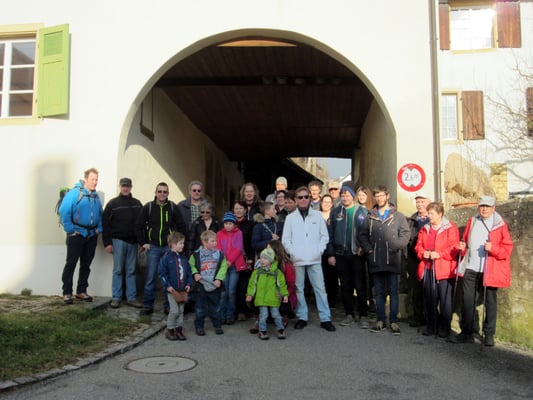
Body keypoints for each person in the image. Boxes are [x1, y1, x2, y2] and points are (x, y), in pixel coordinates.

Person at [449, 196, 513, 347]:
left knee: (490, 302)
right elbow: (466, 240)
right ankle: (466, 332)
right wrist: (462, 246)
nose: (484, 209)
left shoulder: (499, 224)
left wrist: (493, 248)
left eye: (487, 206)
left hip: (489, 269)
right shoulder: (472, 221)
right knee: (467, 301)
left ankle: (489, 334)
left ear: (493, 208)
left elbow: (507, 249)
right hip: (471, 267)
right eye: (482, 206)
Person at [281, 186, 336, 332]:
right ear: (296, 200)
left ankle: (325, 318)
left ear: (310, 198)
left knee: (320, 289)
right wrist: (292, 252)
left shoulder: (317, 216)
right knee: (299, 289)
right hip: (297, 259)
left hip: (315, 259)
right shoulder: (290, 218)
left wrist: (319, 251)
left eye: (306, 197)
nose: (303, 199)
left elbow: (324, 236)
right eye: (300, 197)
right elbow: (286, 239)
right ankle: (302, 317)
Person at [359, 185, 410, 335]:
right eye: (377, 196)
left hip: (393, 259)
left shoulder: (398, 216)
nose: (379, 198)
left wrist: (397, 245)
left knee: (393, 292)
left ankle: (393, 321)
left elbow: (405, 233)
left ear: (387, 196)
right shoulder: (370, 216)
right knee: (379, 293)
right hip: (376, 260)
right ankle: (380, 320)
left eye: (382, 195)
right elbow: (362, 235)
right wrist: (369, 249)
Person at [135, 182, 186, 316]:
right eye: (160, 191)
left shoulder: (172, 207)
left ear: (168, 193)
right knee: (150, 277)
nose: (162, 194)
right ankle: (148, 305)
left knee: (169, 277)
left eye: (165, 192)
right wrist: (143, 242)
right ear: (156, 193)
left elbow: (181, 225)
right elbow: (139, 225)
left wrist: (177, 243)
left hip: (168, 248)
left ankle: (168, 306)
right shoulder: (149, 207)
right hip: (153, 247)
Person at [59, 167, 103, 304]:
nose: (95, 182)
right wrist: (70, 230)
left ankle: (81, 291)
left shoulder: (95, 196)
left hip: (91, 235)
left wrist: (99, 229)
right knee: (71, 263)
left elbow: (100, 214)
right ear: (85, 179)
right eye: (92, 179)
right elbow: (64, 211)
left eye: (96, 180)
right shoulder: (75, 193)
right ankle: (67, 292)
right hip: (77, 235)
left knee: (86, 265)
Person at [415, 202, 459, 338]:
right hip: (428, 268)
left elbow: (454, 247)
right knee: (430, 298)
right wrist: (423, 253)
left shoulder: (450, 228)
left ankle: (445, 327)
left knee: (445, 301)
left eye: (432, 213)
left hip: (444, 269)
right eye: (428, 213)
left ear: (440, 214)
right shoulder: (425, 229)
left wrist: (439, 254)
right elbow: (418, 246)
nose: (429, 216)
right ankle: (431, 325)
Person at [327, 186, 369, 329]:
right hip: (341, 254)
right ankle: (349, 314)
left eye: (347, 195)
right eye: (343, 196)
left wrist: (363, 246)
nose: (345, 198)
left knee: (360, 285)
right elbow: (330, 234)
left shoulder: (362, 212)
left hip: (357, 254)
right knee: (345, 286)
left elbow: (367, 233)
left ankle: (363, 315)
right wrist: (331, 254)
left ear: (353, 196)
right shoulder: (335, 212)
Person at [102, 177, 143, 309]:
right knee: (118, 270)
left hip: (133, 242)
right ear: (120, 187)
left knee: (131, 271)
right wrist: (107, 243)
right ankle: (116, 298)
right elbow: (105, 224)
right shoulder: (113, 204)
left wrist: (142, 242)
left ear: (131, 187)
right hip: (118, 241)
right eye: (123, 186)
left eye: (127, 186)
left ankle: (131, 298)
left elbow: (142, 224)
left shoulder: (137, 204)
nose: (125, 188)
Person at [189, 230, 228, 336]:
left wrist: (219, 279)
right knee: (200, 308)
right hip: (201, 285)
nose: (215, 243)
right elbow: (191, 264)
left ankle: (217, 325)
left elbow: (223, 267)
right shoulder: (196, 254)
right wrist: (195, 273)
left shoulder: (219, 254)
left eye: (216, 241)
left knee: (216, 307)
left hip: (214, 285)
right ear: (204, 242)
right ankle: (199, 326)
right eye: (212, 241)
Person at [246, 247, 289, 340]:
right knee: (263, 315)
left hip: (273, 298)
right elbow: (252, 284)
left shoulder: (277, 273)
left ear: (271, 260)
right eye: (261, 258)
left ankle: (280, 329)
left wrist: (284, 295)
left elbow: (282, 285)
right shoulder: (257, 272)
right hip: (261, 298)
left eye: (265, 258)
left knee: (276, 315)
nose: (262, 260)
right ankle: (262, 331)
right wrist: (250, 294)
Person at [158, 232, 192, 341]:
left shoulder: (184, 258)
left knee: (181, 311)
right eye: (180, 243)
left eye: (183, 243)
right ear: (173, 244)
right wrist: (167, 285)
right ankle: (170, 329)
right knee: (174, 310)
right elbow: (162, 273)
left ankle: (179, 329)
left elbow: (189, 272)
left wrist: (189, 283)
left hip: (182, 289)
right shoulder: (167, 258)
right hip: (172, 290)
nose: (183, 245)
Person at [405, 192, 431, 327]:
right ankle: (417, 316)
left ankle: (431, 317)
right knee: (416, 290)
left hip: (430, 259)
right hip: (414, 259)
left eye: (422, 202)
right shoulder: (411, 220)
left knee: (430, 290)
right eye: (418, 202)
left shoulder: (433, 218)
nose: (420, 205)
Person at [217, 211, 246, 324]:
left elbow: (238, 248)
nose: (228, 226)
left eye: (230, 223)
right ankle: (222, 315)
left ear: (234, 224)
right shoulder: (219, 234)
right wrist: (225, 262)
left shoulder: (238, 233)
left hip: (234, 266)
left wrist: (230, 261)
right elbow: (218, 248)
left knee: (231, 291)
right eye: (226, 223)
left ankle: (230, 315)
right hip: (223, 266)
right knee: (224, 292)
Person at [233, 200, 255, 321]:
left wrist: (251, 258)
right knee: (232, 286)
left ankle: (242, 311)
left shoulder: (250, 225)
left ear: (245, 210)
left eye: (241, 208)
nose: (238, 211)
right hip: (231, 259)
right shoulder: (229, 223)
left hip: (245, 258)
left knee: (243, 285)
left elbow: (251, 243)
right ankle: (232, 311)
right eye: (236, 208)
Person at [354, 186, 375, 313]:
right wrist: (359, 245)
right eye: (359, 195)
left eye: (364, 195)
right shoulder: (356, 210)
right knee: (361, 276)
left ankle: (372, 300)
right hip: (359, 248)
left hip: (371, 247)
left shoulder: (373, 210)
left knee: (372, 276)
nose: (361, 197)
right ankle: (362, 301)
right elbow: (356, 230)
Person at [268, 239, 297, 327]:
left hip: (284, 294)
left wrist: (283, 294)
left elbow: (291, 285)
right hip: (270, 293)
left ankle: (285, 315)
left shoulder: (287, 265)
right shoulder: (265, 263)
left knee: (282, 302)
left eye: (269, 249)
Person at [320, 194, 339, 309]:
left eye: (329, 202)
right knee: (322, 277)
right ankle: (323, 300)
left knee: (332, 277)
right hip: (319, 252)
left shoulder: (335, 216)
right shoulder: (316, 216)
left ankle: (332, 300)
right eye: (324, 202)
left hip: (332, 251)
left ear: (332, 204)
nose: (326, 204)